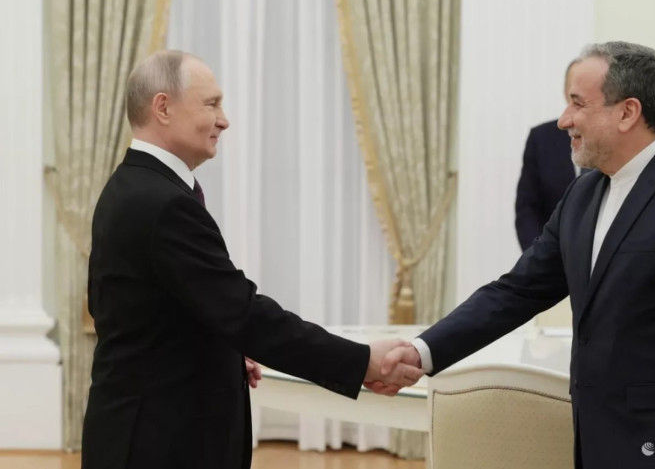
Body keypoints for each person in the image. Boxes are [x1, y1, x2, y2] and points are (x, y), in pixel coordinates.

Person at [381, 41, 655, 468]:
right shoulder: (583, 193)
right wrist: (422, 351)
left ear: (627, 112)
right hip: (596, 445)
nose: (563, 120)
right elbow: (516, 291)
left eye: (577, 103)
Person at [81, 50, 420, 469]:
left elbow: (147, 310)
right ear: (163, 108)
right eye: (211, 104)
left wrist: (219, 350)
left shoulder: (133, 185)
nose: (224, 120)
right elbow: (243, 314)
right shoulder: (162, 202)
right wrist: (363, 361)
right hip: (158, 443)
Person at [515, 60, 584, 251]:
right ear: (565, 92)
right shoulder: (541, 138)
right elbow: (527, 208)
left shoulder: (612, 137)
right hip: (551, 256)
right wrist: (537, 256)